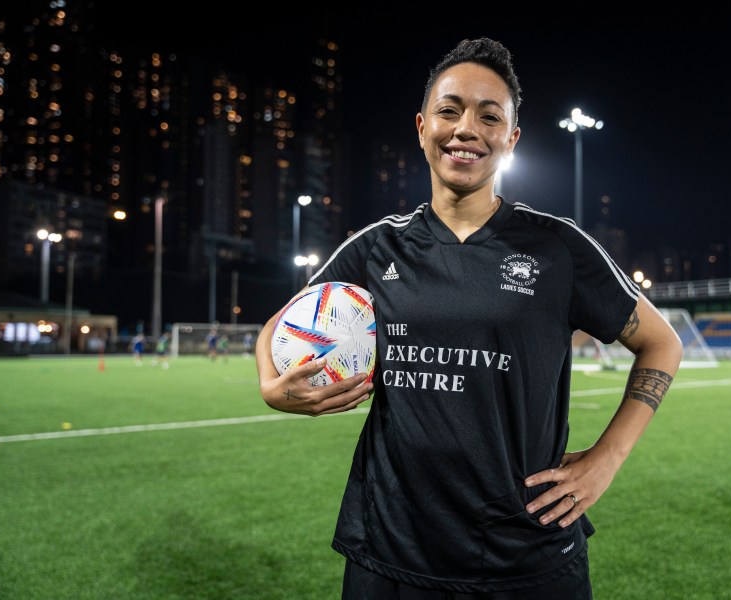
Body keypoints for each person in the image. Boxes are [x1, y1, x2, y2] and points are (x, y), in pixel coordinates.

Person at [255, 37, 683, 599]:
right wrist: (271, 385)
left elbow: (662, 344)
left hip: (526, 551)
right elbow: (277, 325)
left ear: (511, 138)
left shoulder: (557, 248)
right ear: (422, 126)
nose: (466, 129)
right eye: (449, 110)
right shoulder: (377, 247)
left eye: (489, 117)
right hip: (391, 551)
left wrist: (606, 460)